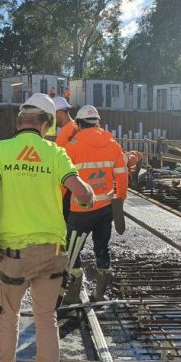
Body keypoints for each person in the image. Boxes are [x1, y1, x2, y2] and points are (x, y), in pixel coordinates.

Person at [0, 93, 94, 362]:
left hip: (11, 254)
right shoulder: (56, 153)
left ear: (21, 120)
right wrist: (90, 194)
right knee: (46, 318)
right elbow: (82, 193)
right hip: (51, 254)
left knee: (7, 317)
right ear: (46, 123)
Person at [63, 105, 128, 304]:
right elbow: (122, 175)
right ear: (97, 122)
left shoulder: (72, 146)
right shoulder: (113, 144)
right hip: (105, 208)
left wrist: (59, 205)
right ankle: (100, 293)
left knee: (72, 250)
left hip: (80, 210)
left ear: (79, 123)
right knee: (102, 247)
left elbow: (62, 182)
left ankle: (73, 294)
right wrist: (119, 200)